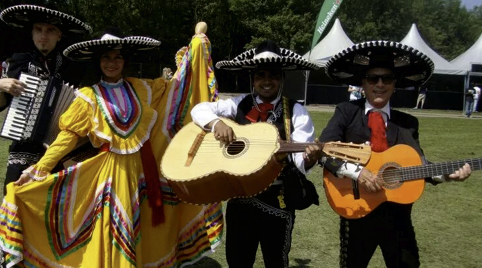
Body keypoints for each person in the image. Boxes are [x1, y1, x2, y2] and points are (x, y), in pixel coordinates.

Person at [0, 26, 223, 267]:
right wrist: (39, 169)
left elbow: (177, 91)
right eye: (106, 57)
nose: (111, 62)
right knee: (110, 230)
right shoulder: (89, 96)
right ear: (98, 61)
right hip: (107, 176)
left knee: (141, 230)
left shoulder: (142, 89)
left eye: (117, 56)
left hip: (140, 176)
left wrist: (196, 50)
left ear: (125, 60)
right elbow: (67, 138)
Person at [320, 40, 472, 268]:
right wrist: (358, 173)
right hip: (357, 210)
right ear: (363, 83)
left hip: (398, 216)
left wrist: (446, 174)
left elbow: (417, 164)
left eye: (387, 79)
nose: (379, 84)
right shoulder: (347, 112)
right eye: (373, 78)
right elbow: (324, 149)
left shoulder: (408, 123)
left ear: (394, 84)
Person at [191, 40, 322, 268]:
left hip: (278, 201)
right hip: (240, 201)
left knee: (276, 261)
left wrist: (309, 157)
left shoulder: (296, 111)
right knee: (238, 261)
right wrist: (215, 124)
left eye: (273, 75)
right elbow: (199, 109)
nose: (267, 81)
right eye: (261, 75)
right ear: (253, 79)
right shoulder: (238, 104)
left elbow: (301, 161)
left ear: (281, 78)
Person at [0, 5, 92, 194]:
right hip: (24, 147)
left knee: (54, 207)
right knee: (15, 199)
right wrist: (0, 84)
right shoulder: (19, 61)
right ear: (32, 32)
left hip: (59, 151)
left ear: (59, 35)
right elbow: (2, 104)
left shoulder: (72, 67)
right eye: (38, 29)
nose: (44, 35)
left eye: (50, 30)